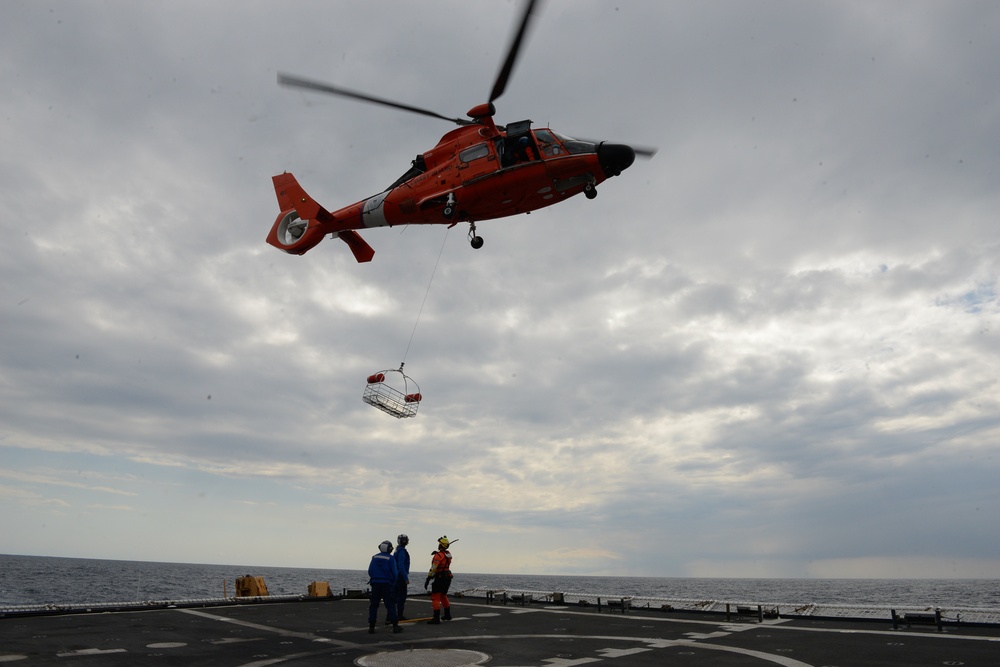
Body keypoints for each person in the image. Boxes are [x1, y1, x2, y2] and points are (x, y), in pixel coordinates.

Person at [367, 540, 401, 634]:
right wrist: (393, 582)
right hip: (386, 584)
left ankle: (371, 626)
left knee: (374, 605)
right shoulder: (390, 558)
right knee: (390, 605)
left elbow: (370, 571)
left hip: (375, 584)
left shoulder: (374, 557)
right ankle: (395, 626)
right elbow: (394, 573)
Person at [424, 535, 453, 624]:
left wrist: (428, 578)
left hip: (440, 578)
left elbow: (434, 568)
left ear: (441, 545)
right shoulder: (448, 555)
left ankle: (436, 618)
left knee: (435, 597)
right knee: (443, 595)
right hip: (447, 578)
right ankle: (447, 615)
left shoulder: (438, 556)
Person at [393, 534, 411, 622]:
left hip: (395, 576)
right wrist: (406, 578)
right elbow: (401, 565)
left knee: (394, 597)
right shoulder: (402, 551)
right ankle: (399, 615)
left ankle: (390, 615)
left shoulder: (397, 551)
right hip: (400, 577)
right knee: (401, 597)